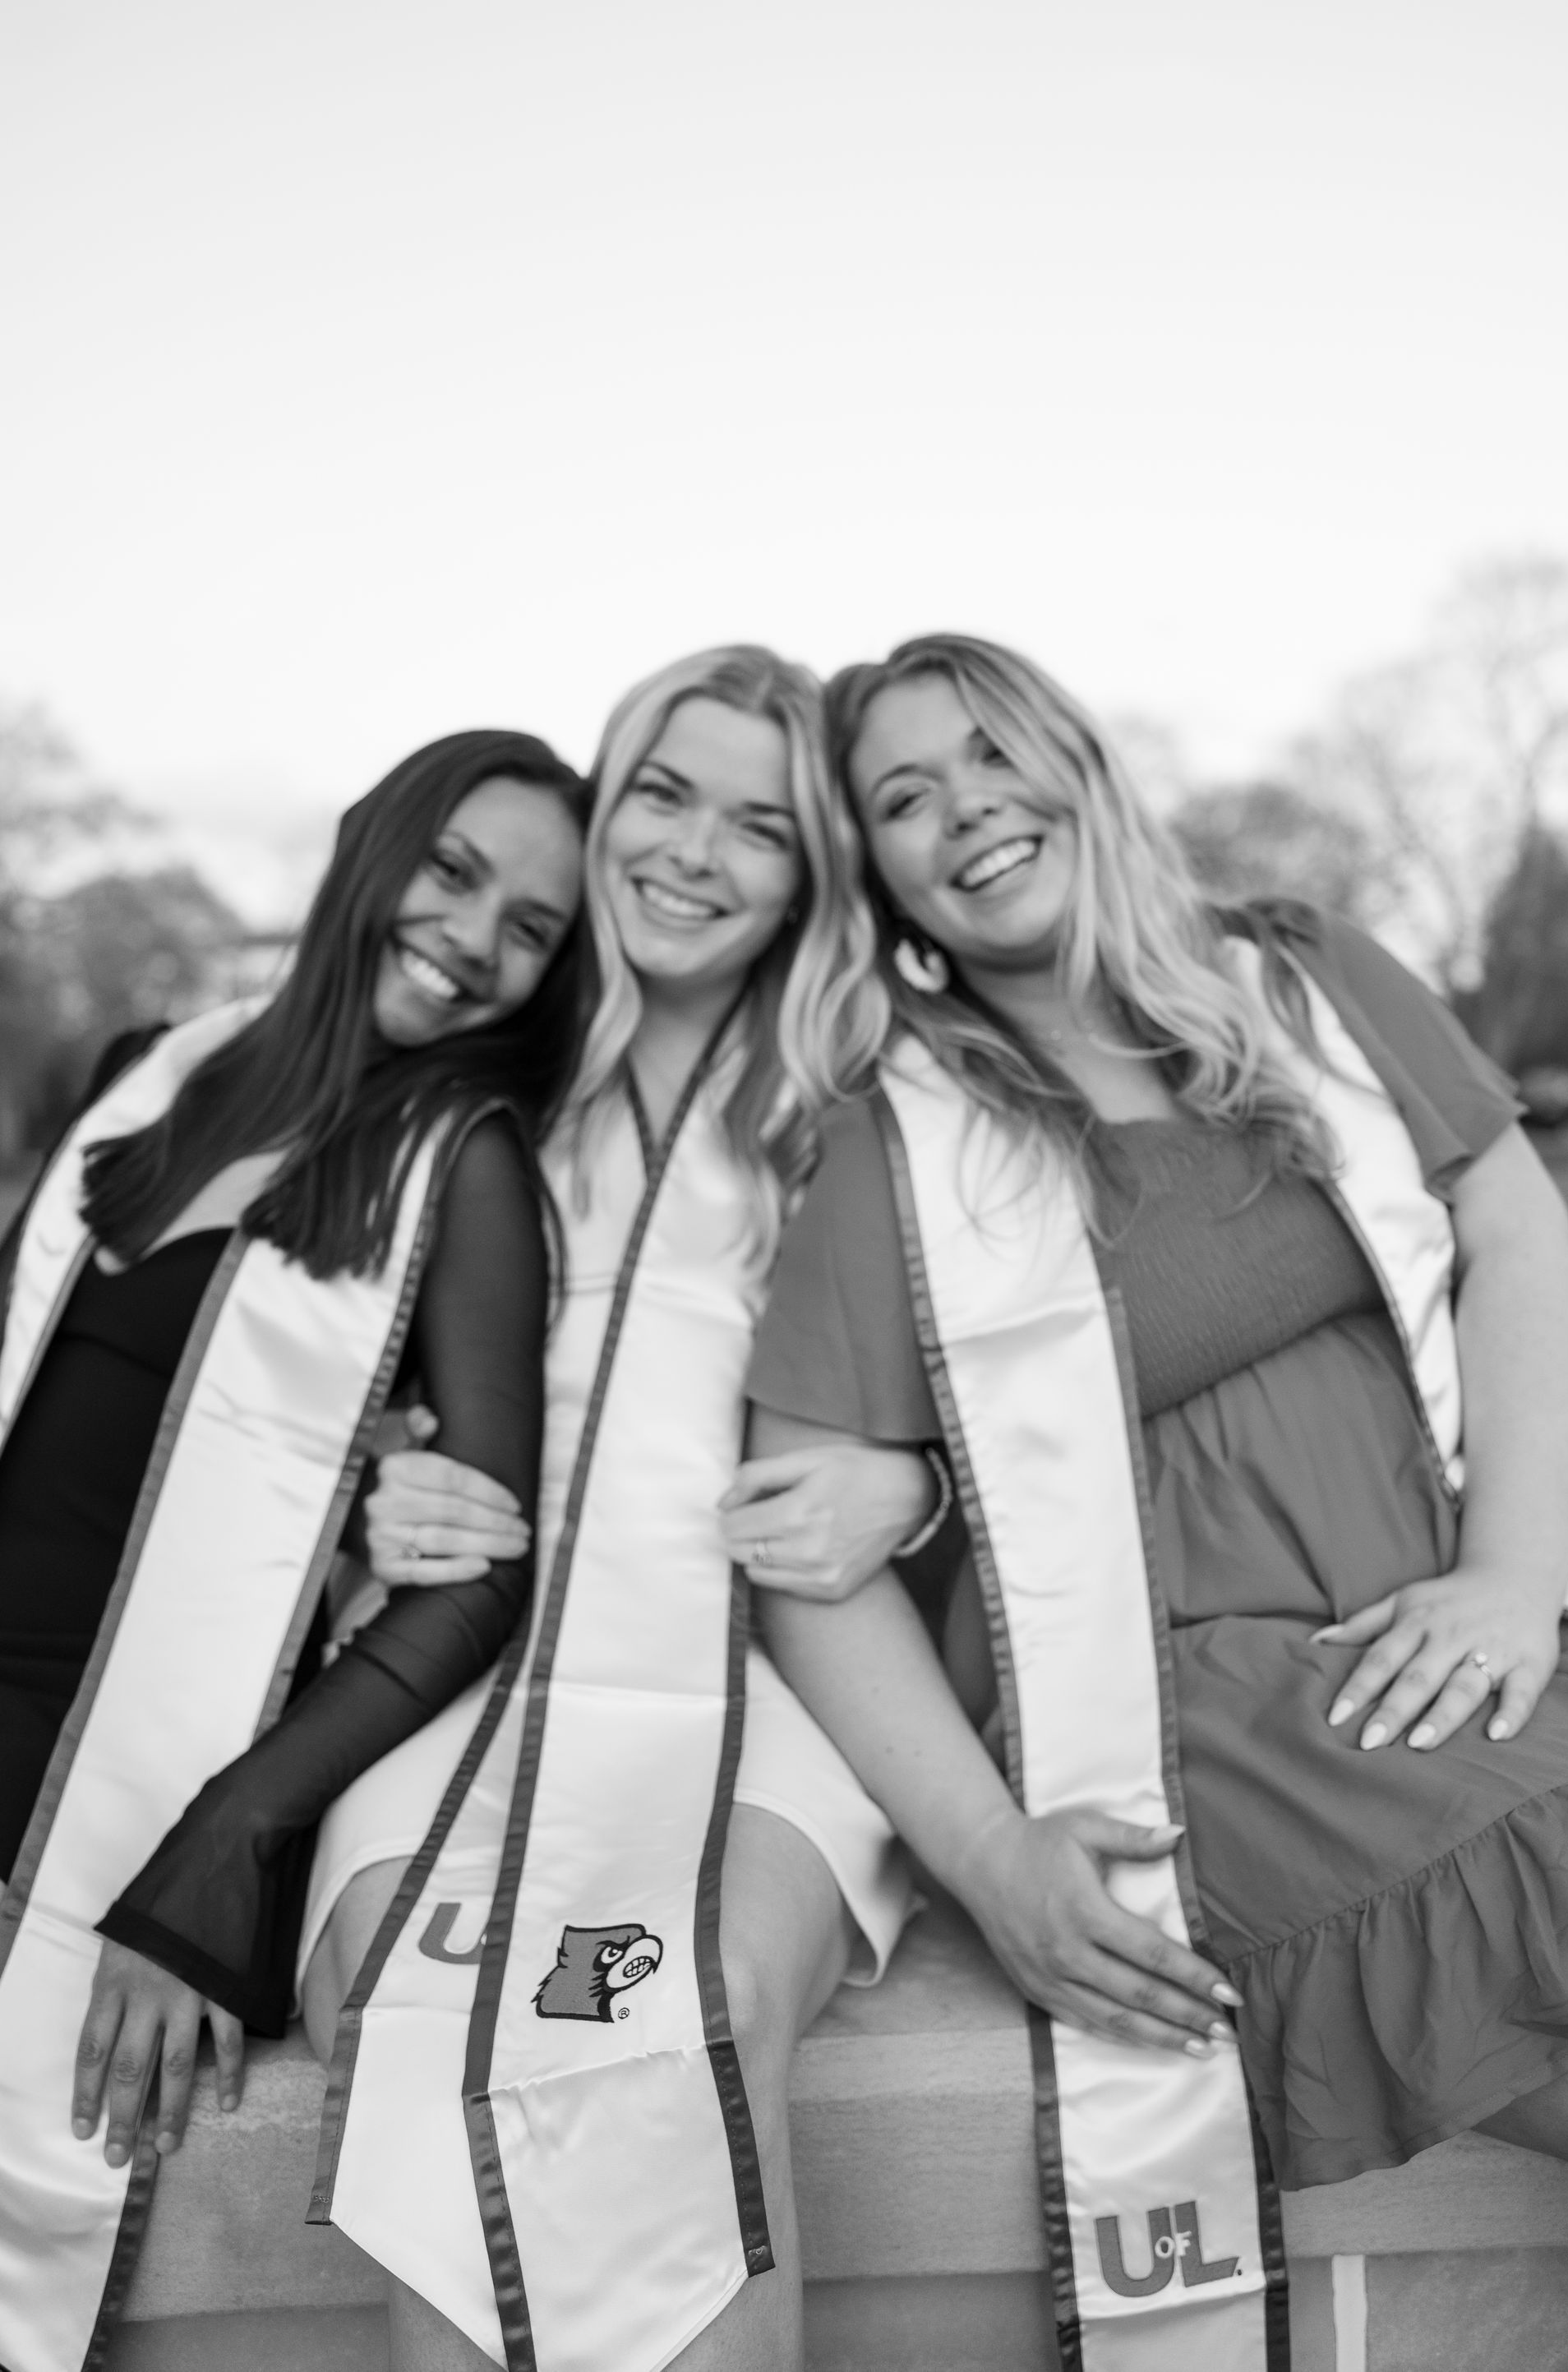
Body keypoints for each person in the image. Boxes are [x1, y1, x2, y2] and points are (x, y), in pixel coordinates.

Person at [736, 634, 1568, 2369]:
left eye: (989, 754)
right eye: (903, 797)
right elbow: (805, 1565)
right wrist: (990, 1860)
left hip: (1429, 1638)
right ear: (874, 872)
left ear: (1079, 764)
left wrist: (1511, 1572)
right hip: (1190, 1707)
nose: (963, 809)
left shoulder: (1305, 983)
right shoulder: (895, 1140)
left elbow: (1513, 1234)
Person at [303, 648, 928, 2372]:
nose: (693, 855)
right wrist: (367, 1493)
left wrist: (911, 1481)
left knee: (695, 2011)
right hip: (452, 1670)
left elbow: (1026, 1403)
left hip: (762, 1682)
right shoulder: (463, 1067)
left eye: (762, 826)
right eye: (662, 794)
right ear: (607, 801)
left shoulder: (857, 1094)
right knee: (422, 2016)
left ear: (812, 875)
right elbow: (281, 1372)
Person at [0, 728, 587, 2372]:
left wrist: (223, 1846)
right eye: (455, 873)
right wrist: (343, 1501)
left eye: (530, 928)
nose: (474, 937)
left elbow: (478, 1576)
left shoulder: (456, 1170)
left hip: (110, 1781)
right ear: (370, 844)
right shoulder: (141, 1074)